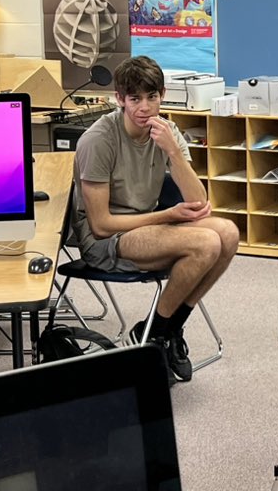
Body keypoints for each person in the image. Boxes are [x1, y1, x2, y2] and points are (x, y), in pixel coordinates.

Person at [72, 55, 239, 385]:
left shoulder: (168, 131)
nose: (145, 107)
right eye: (135, 99)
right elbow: (100, 225)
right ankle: (158, 334)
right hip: (107, 241)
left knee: (228, 234)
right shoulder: (98, 141)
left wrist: (174, 154)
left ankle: (163, 329)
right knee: (205, 243)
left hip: (147, 226)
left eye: (152, 97)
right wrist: (167, 215)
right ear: (120, 99)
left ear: (163, 94)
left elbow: (199, 202)